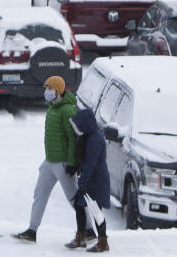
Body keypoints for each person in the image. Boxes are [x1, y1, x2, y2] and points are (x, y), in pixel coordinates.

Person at [13, 76, 86, 243]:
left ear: (58, 91)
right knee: (40, 193)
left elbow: (73, 139)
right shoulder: (52, 108)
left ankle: (88, 229)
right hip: (49, 161)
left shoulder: (67, 110)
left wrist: (72, 164)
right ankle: (32, 230)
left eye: (49, 89)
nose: (46, 92)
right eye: (46, 89)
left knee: (74, 198)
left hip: (62, 163)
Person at [66, 108, 111, 253]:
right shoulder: (87, 136)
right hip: (89, 179)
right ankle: (81, 237)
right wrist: (75, 168)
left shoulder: (95, 138)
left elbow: (90, 164)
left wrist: (83, 183)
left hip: (96, 181)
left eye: (78, 125)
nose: (76, 129)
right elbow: (84, 160)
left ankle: (103, 241)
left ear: (85, 124)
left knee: (96, 210)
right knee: (79, 205)